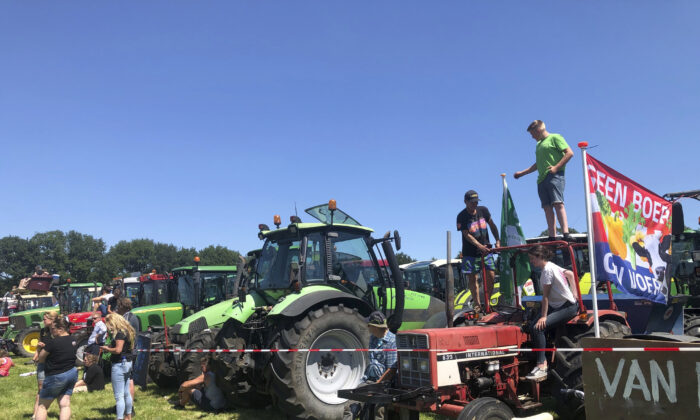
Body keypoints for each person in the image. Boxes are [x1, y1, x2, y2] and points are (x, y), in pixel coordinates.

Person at [514, 120, 574, 240]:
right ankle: (552, 235)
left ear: (539, 130)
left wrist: (556, 167)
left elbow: (569, 153)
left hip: (554, 176)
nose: (532, 137)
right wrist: (522, 173)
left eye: (532, 134)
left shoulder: (555, 137)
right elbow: (538, 163)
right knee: (547, 207)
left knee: (557, 203)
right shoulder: (538, 145)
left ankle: (565, 233)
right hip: (541, 179)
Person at [526, 245, 579, 380]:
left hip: (567, 307)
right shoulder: (551, 265)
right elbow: (570, 274)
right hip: (557, 305)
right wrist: (575, 293)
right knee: (530, 326)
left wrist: (543, 317)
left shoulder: (547, 271)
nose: (531, 261)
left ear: (540, 256)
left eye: (532, 258)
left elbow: (545, 297)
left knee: (538, 328)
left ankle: (542, 365)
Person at [342, 311, 397, 420]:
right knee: (350, 404)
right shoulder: (373, 338)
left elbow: (392, 370)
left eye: (369, 325)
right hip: (369, 381)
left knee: (378, 409)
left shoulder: (393, 342)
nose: (367, 327)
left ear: (375, 327)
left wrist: (376, 386)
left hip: (385, 384)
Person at [456, 190, 500, 313]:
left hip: (486, 251)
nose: (474, 204)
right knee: (472, 278)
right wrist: (479, 246)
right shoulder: (461, 216)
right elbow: (466, 234)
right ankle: (477, 304)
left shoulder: (483, 211)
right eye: (472, 202)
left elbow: (492, 225)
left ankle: (487, 302)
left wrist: (497, 240)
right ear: (465, 202)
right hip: (470, 253)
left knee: (491, 275)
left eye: (476, 202)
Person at [35, 316, 78, 420]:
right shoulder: (73, 340)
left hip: (56, 376)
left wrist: (40, 348)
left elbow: (41, 358)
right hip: (72, 373)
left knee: (42, 406)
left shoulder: (53, 342)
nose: (51, 331)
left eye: (53, 329)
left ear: (61, 329)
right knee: (65, 404)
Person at [100, 313, 135, 420]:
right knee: (126, 393)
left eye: (109, 325)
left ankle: (119, 417)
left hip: (119, 364)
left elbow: (118, 350)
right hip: (128, 363)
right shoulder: (128, 331)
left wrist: (107, 349)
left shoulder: (119, 334)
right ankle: (128, 416)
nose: (109, 328)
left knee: (119, 396)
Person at [32, 310, 59, 420]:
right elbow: (39, 345)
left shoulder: (57, 331)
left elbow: (59, 346)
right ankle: (35, 414)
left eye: (45, 319)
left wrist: (47, 346)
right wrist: (36, 353)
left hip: (54, 362)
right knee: (40, 388)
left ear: (52, 320)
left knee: (58, 388)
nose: (43, 321)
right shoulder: (43, 331)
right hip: (42, 362)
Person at [116, 297, 138, 402]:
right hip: (130, 351)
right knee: (127, 378)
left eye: (118, 306)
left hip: (129, 352)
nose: (117, 308)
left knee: (128, 379)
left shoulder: (128, 318)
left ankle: (129, 404)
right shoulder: (131, 316)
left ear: (122, 306)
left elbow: (126, 335)